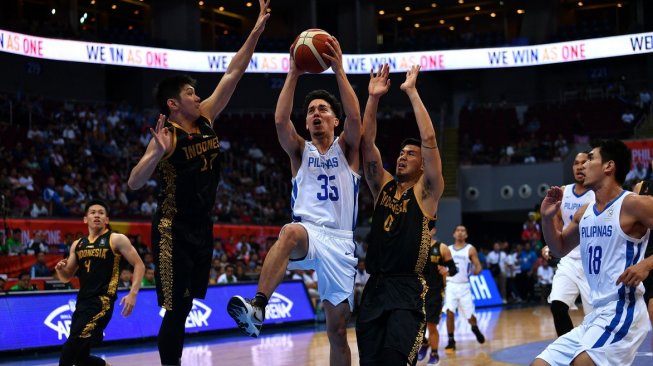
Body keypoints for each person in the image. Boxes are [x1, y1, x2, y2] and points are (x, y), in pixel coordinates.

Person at [127, 2, 270, 364]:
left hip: (203, 226)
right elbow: (133, 182)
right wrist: (155, 155)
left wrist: (255, 30)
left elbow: (234, 72)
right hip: (172, 228)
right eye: (190, 93)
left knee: (186, 305)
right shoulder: (168, 137)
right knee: (176, 309)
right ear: (174, 103)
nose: (197, 95)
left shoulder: (206, 117)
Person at [227, 31, 361, 366]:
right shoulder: (300, 150)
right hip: (309, 233)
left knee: (337, 331)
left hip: (341, 243)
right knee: (288, 232)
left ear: (334, 118)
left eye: (323, 109)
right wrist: (293, 72)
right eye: (311, 110)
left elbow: (357, 119)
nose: (316, 113)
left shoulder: (348, 148)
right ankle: (258, 306)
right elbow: (278, 120)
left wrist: (339, 70)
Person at [533, 139, 653, 366]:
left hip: (623, 310)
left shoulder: (634, 204)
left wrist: (646, 264)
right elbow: (558, 248)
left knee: (583, 363)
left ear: (609, 166)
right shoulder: (584, 212)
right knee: (540, 364)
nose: (582, 166)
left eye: (590, 159)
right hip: (596, 315)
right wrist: (547, 220)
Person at [355, 64, 444, 366]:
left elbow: (429, 140)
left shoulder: (426, 192)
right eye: (401, 152)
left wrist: (411, 92)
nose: (402, 156)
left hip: (407, 290)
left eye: (411, 154)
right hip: (374, 289)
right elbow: (366, 144)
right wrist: (373, 98)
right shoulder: (383, 186)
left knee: (395, 361)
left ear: (422, 165)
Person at [54, 200, 145, 366]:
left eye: (101, 213)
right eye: (93, 212)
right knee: (80, 358)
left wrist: (133, 294)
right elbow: (66, 277)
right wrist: (60, 269)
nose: (97, 215)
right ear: (85, 219)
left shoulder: (116, 239)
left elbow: (139, 264)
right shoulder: (78, 244)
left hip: (102, 301)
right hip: (82, 302)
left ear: (107, 219)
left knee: (71, 344)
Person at [541, 151, 595, 336]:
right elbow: (556, 226)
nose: (580, 166)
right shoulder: (563, 192)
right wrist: (550, 246)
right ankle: (570, 351)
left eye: (584, 162)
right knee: (557, 305)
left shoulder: (599, 194)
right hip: (569, 260)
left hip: (593, 262)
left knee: (594, 318)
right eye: (576, 163)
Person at [417, 224, 457, 365]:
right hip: (417, 292)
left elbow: (453, 269)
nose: (426, 231)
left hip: (434, 292)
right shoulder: (415, 247)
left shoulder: (442, 248)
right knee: (416, 324)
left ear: (433, 231)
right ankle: (425, 343)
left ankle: (434, 354)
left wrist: (446, 270)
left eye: (428, 229)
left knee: (432, 326)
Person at [442, 225, 485, 353]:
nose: (460, 233)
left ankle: (474, 328)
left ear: (466, 235)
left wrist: (478, 270)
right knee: (449, 312)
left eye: (463, 231)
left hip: (464, 285)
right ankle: (451, 341)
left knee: (470, 316)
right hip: (451, 284)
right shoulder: (447, 249)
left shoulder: (470, 249)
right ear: (454, 234)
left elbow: (477, 265)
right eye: (458, 231)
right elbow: (443, 268)